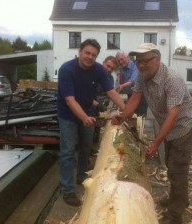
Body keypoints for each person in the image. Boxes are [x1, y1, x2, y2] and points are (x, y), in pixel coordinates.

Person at [111, 43, 192, 224]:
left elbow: (173, 114)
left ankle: (175, 215)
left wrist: (156, 142)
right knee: (170, 164)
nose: (141, 65)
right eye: (138, 62)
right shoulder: (143, 77)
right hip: (168, 126)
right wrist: (122, 117)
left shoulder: (171, 79)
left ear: (157, 59)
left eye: (145, 61)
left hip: (183, 127)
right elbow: (134, 99)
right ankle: (178, 198)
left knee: (178, 169)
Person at [57, 39, 125, 207]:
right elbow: (70, 100)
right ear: (80, 51)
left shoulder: (98, 70)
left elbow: (111, 92)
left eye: (93, 55)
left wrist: (127, 111)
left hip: (87, 112)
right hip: (68, 115)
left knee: (86, 147)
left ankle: (81, 176)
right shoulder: (67, 69)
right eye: (87, 53)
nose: (89, 57)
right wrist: (84, 118)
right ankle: (67, 189)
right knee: (68, 151)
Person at [92, 55, 118, 144]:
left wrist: (108, 99)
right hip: (90, 104)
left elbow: (110, 92)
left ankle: (94, 146)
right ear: (103, 63)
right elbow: (85, 96)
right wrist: (97, 104)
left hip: (101, 105)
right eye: (108, 66)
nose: (109, 69)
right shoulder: (93, 74)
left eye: (112, 68)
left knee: (98, 126)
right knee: (89, 127)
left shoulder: (110, 78)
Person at [115, 51, 148, 116]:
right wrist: (119, 76)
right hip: (129, 96)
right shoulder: (121, 68)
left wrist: (122, 86)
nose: (120, 62)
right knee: (130, 117)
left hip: (140, 97)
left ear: (128, 57)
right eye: (119, 61)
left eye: (122, 59)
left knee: (140, 118)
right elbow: (119, 84)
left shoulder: (135, 65)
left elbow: (133, 81)